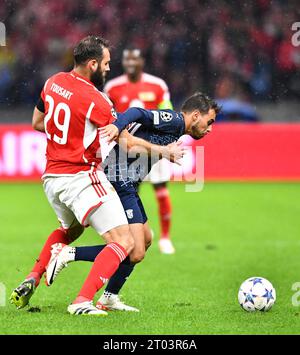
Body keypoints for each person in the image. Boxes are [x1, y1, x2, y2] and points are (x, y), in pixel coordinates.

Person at [10, 35, 182, 316]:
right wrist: (164, 151)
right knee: (125, 241)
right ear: (92, 64)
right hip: (82, 177)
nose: (108, 69)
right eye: (105, 64)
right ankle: (82, 301)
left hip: (52, 178)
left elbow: (37, 122)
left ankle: (34, 275)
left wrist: (66, 139)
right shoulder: (96, 100)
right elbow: (126, 142)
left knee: (71, 230)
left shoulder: (52, 82)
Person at [45, 92, 221, 312]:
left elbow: (139, 139)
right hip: (119, 179)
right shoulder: (174, 121)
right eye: (209, 121)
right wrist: (118, 125)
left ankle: (109, 297)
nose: (210, 128)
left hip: (129, 182)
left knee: (146, 239)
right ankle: (67, 254)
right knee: (135, 250)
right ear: (195, 115)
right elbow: (138, 112)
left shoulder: (176, 130)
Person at [104, 48, 176, 254]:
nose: (130, 63)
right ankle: (133, 232)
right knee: (129, 193)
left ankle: (165, 238)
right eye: (127, 59)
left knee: (161, 191)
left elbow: (167, 113)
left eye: (134, 58)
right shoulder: (113, 87)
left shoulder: (157, 85)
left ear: (142, 61)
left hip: (153, 148)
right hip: (127, 150)